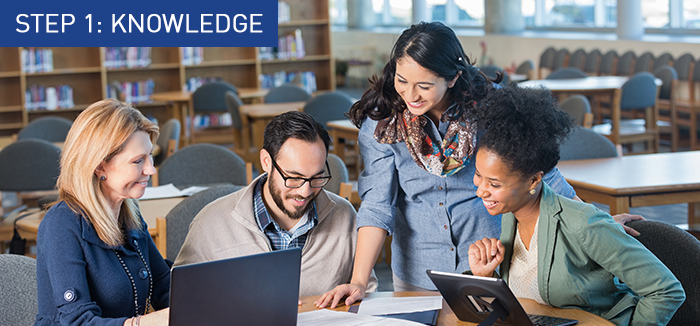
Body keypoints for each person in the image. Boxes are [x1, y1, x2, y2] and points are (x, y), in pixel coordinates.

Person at [316, 21, 641, 309]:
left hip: (494, 260)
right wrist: (359, 280)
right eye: (402, 81)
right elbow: (376, 206)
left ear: (454, 77)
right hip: (418, 270)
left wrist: (595, 223)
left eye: (424, 85)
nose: (410, 95)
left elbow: (542, 174)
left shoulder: (494, 106)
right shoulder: (384, 124)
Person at [467, 85, 684, 325]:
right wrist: (485, 277)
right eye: (478, 175)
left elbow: (666, 291)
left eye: (494, 184)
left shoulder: (583, 224)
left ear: (534, 180)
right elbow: (522, 305)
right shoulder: (509, 217)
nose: (480, 190)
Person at [174, 111, 377, 297]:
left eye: (317, 177)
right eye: (294, 178)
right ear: (266, 162)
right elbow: (181, 300)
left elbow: (366, 294)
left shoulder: (345, 216)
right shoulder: (211, 223)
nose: (305, 191)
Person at [35, 99, 170, 326]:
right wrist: (147, 322)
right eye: (138, 161)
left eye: (150, 156)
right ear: (99, 166)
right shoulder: (62, 224)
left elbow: (163, 284)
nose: (151, 169)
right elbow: (77, 322)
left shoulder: (128, 213)